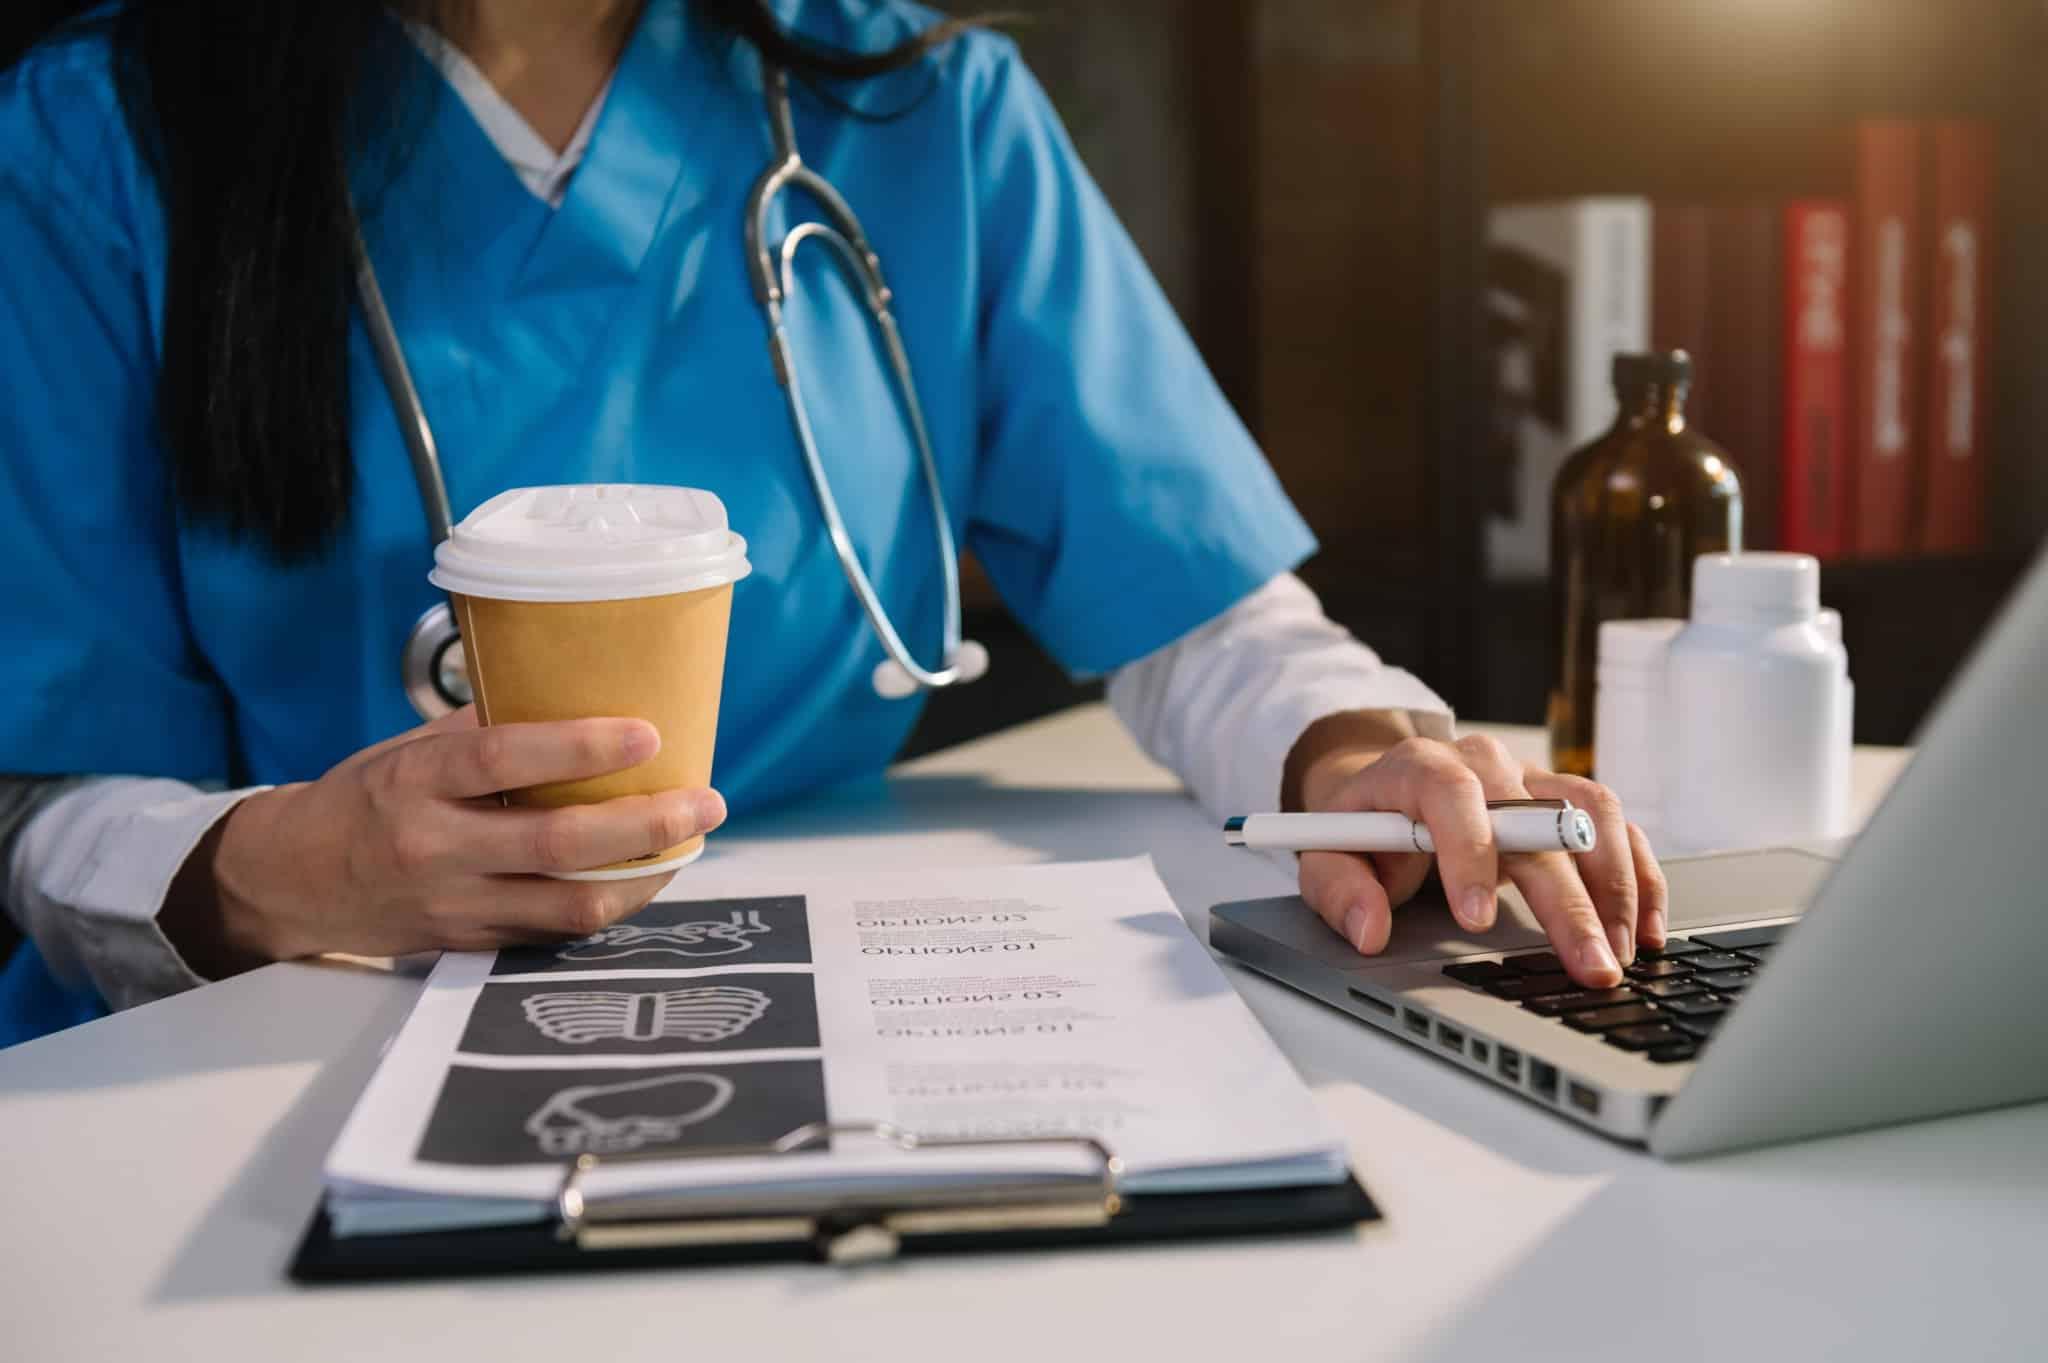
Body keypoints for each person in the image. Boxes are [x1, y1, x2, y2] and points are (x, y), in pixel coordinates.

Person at [0, 0, 1664, 1046]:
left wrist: (1353, 756)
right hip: (271, 1029)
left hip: (847, 992)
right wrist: (300, 874)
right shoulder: (93, 139)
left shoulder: (928, 110)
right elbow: (42, 800)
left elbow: (1209, 618)